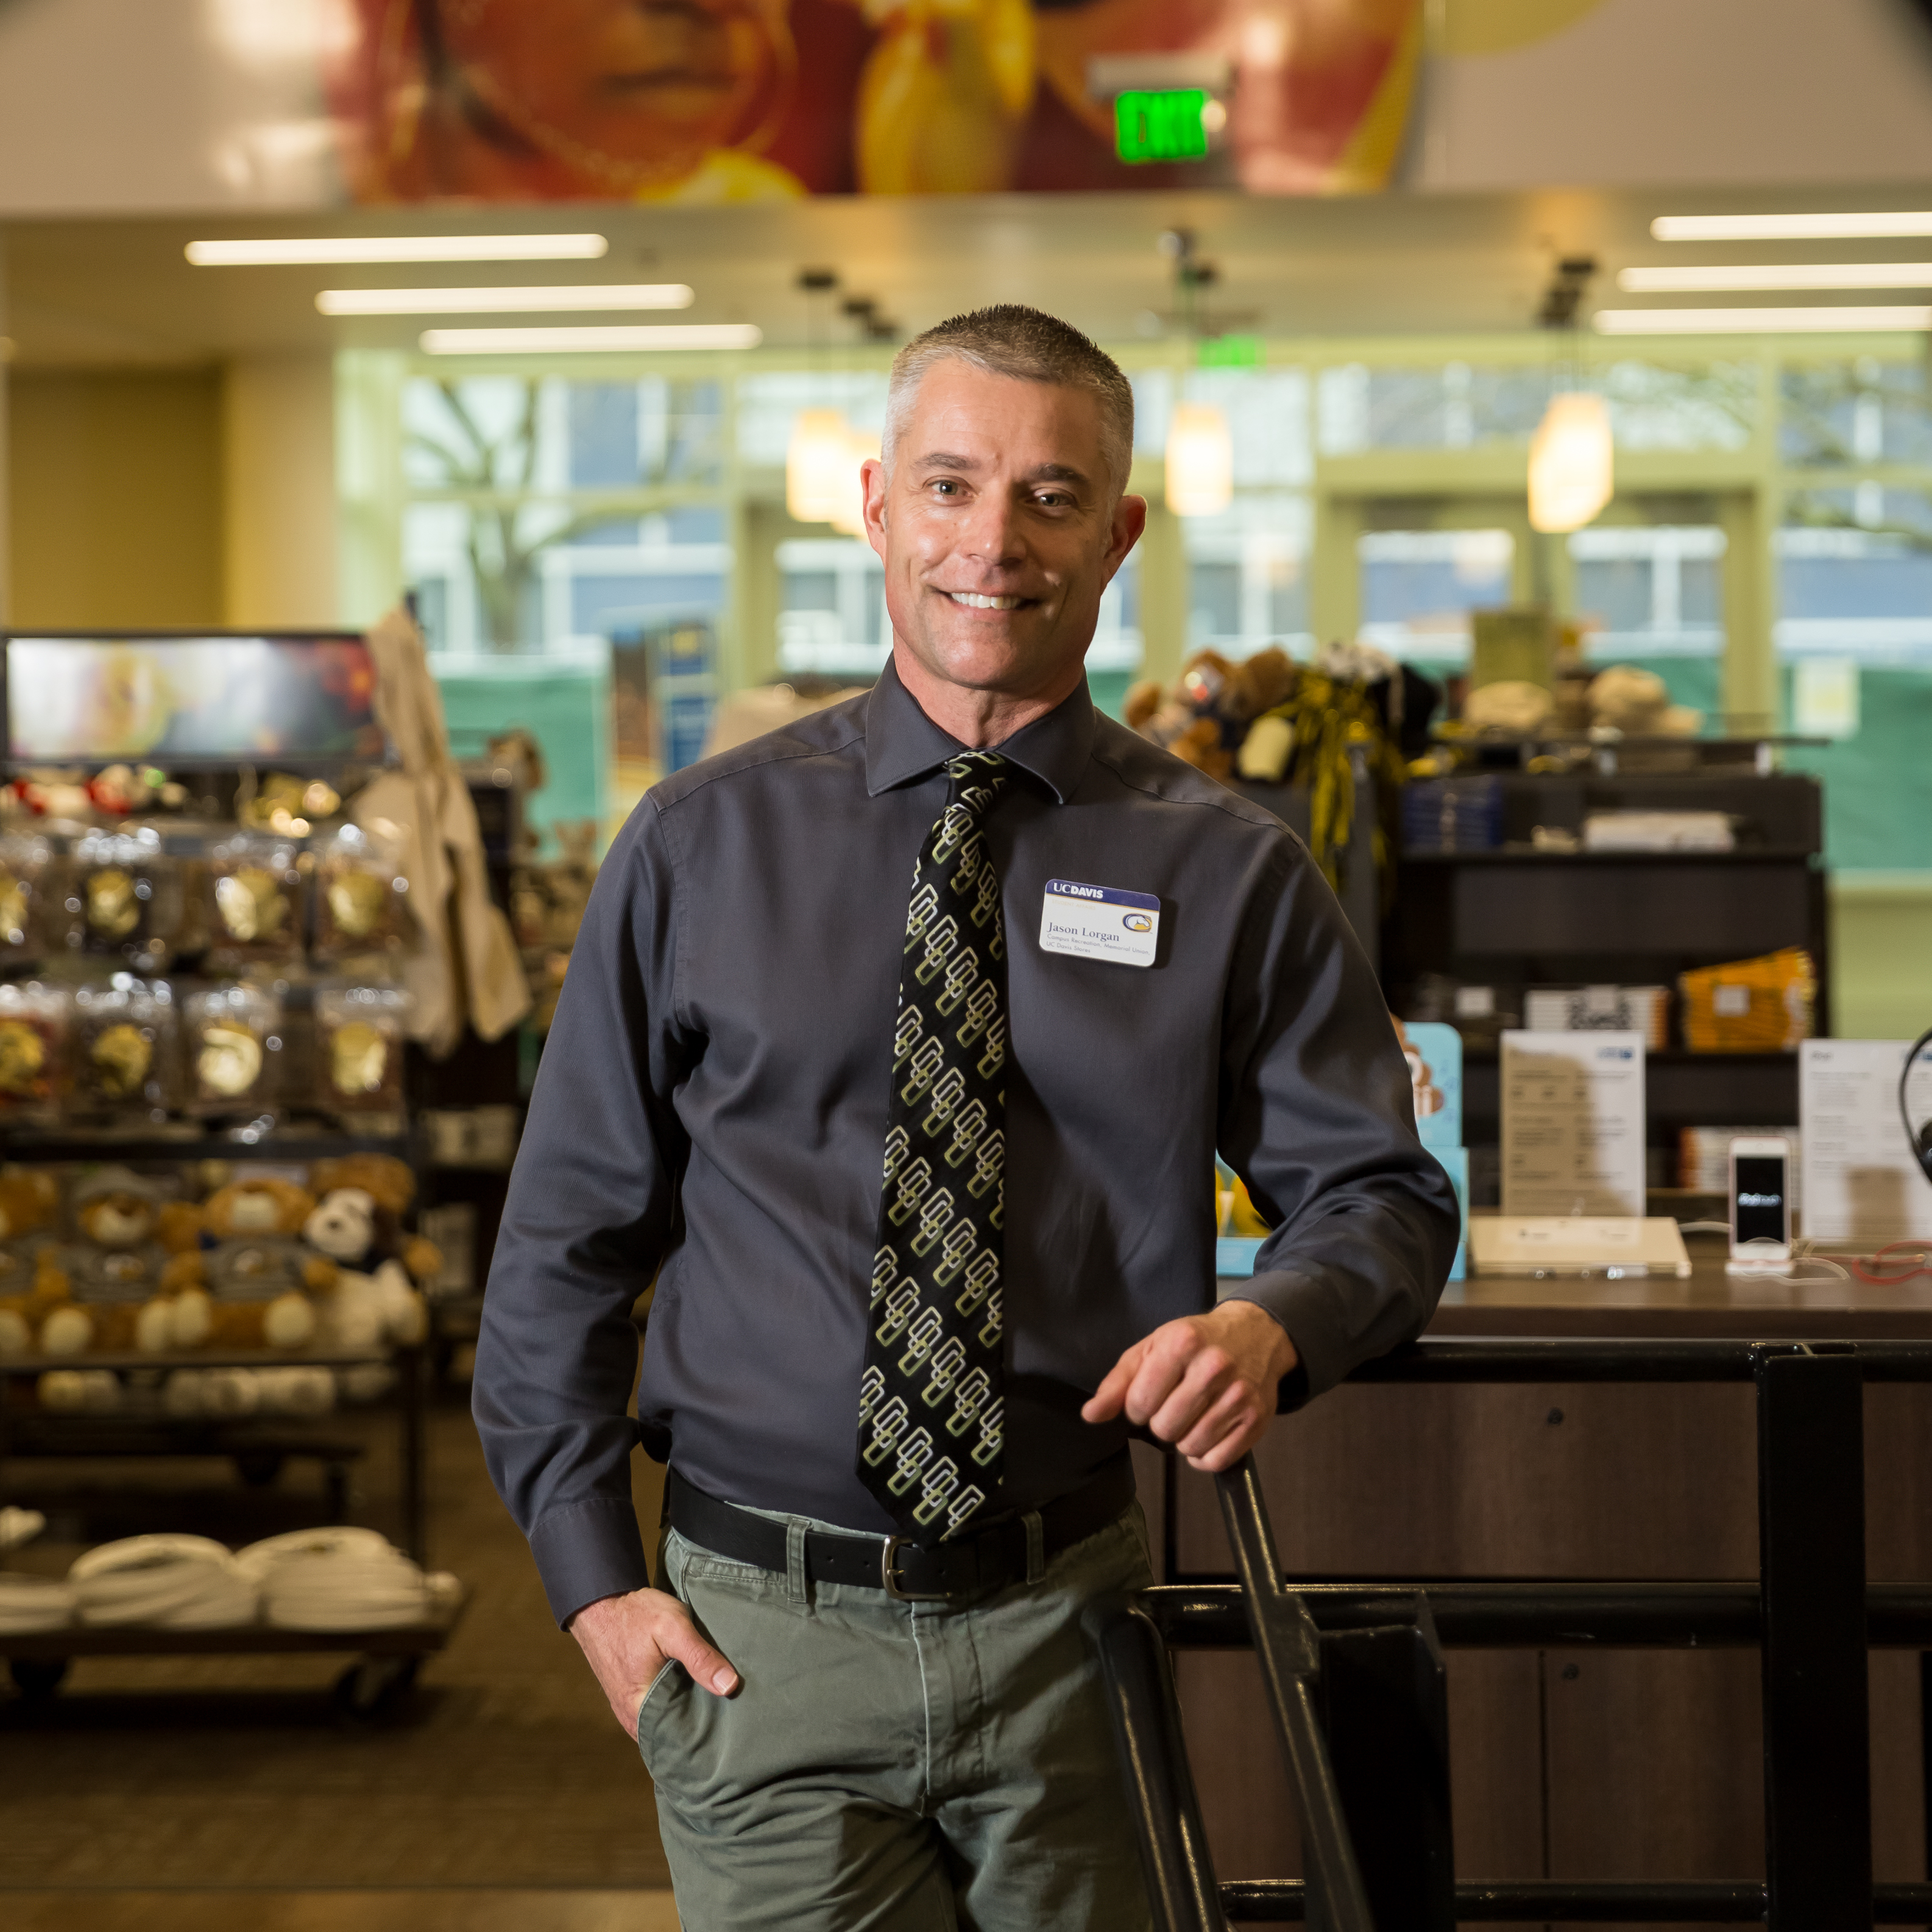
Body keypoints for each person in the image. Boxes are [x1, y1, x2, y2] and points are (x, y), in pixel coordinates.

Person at [474, 304, 1459, 1930]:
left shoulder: (1222, 866)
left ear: (1120, 531)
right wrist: (594, 1589)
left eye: (1048, 497)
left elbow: (1380, 1193)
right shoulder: (697, 844)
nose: (989, 542)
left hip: (1068, 1631)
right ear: (875, 503)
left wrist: (1279, 1322)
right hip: (751, 1651)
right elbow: (562, 1246)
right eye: (947, 487)